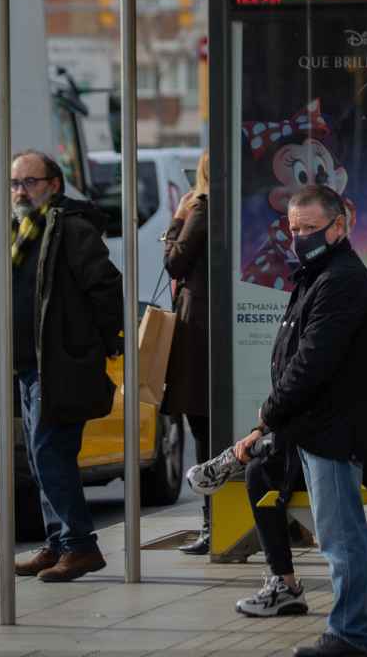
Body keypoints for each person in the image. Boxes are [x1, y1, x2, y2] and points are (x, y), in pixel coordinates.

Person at [235, 184, 367, 657]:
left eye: (309, 228)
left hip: (333, 429)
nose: (298, 237)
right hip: (317, 426)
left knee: (342, 539)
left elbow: (312, 362)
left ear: (338, 226)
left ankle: (353, 635)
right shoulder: (318, 274)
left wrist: (268, 412)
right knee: (342, 534)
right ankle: (358, 628)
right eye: (293, 228)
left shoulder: (339, 279)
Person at [0, 150, 124, 583]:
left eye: (30, 181)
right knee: (42, 457)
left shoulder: (70, 229)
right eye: (14, 183)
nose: (20, 191)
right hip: (27, 366)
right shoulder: (19, 231)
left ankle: (81, 546)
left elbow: (106, 287)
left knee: (51, 455)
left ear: (54, 184)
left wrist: (104, 345)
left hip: (60, 364)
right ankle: (58, 543)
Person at [164, 151, 213, 555]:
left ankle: (213, 523)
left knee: (204, 430)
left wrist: (178, 219)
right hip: (214, 329)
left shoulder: (202, 208)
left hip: (199, 331)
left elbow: (175, 263)